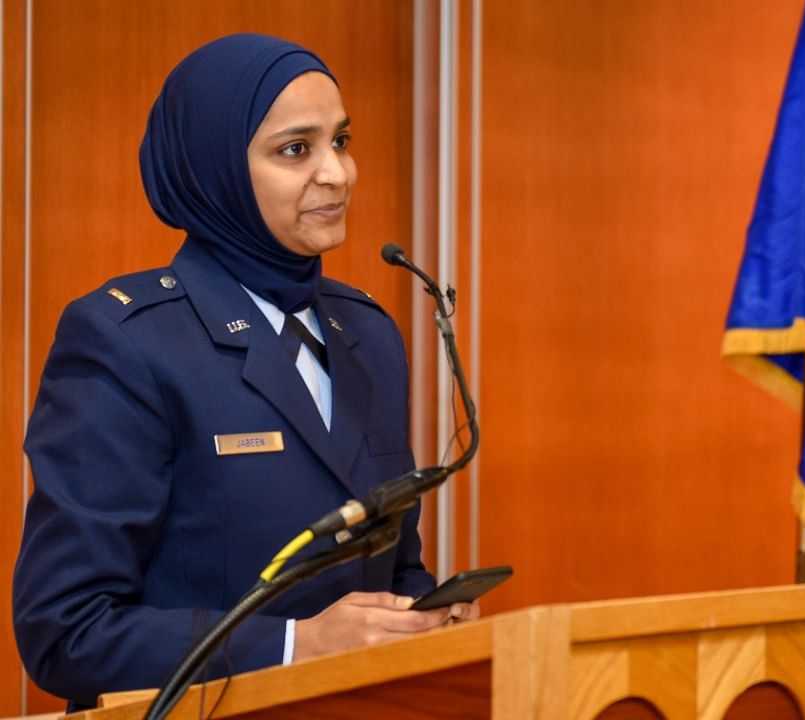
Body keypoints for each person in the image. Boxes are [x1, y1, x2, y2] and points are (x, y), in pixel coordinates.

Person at [11, 33, 476, 711]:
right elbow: (66, 633)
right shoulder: (126, 342)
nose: (338, 174)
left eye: (340, 141)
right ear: (215, 168)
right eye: (296, 149)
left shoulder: (368, 334)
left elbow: (395, 564)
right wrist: (295, 646)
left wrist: (422, 617)